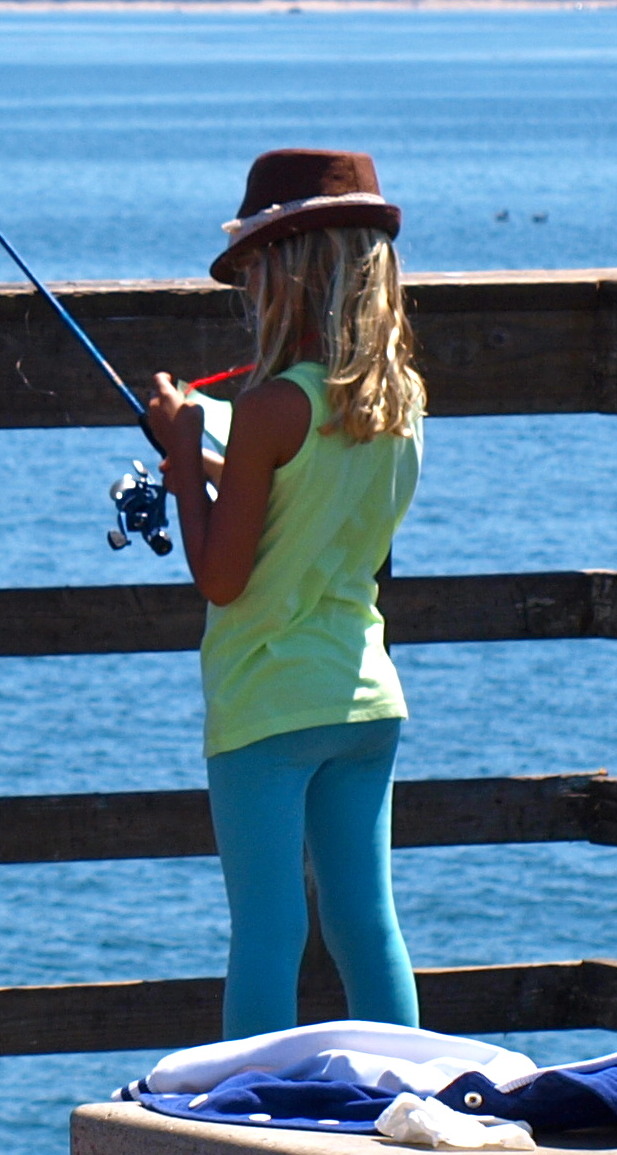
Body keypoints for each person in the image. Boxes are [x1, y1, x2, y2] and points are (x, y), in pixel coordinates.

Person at [143, 148, 428, 1042]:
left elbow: (222, 577)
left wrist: (184, 457)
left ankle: (244, 1140)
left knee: (267, 932)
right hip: (362, 695)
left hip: (265, 702)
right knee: (364, 924)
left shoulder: (268, 405)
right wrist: (219, 462)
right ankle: (409, 1093)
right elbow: (312, 512)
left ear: (288, 274)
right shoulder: (399, 403)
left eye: (256, 270)